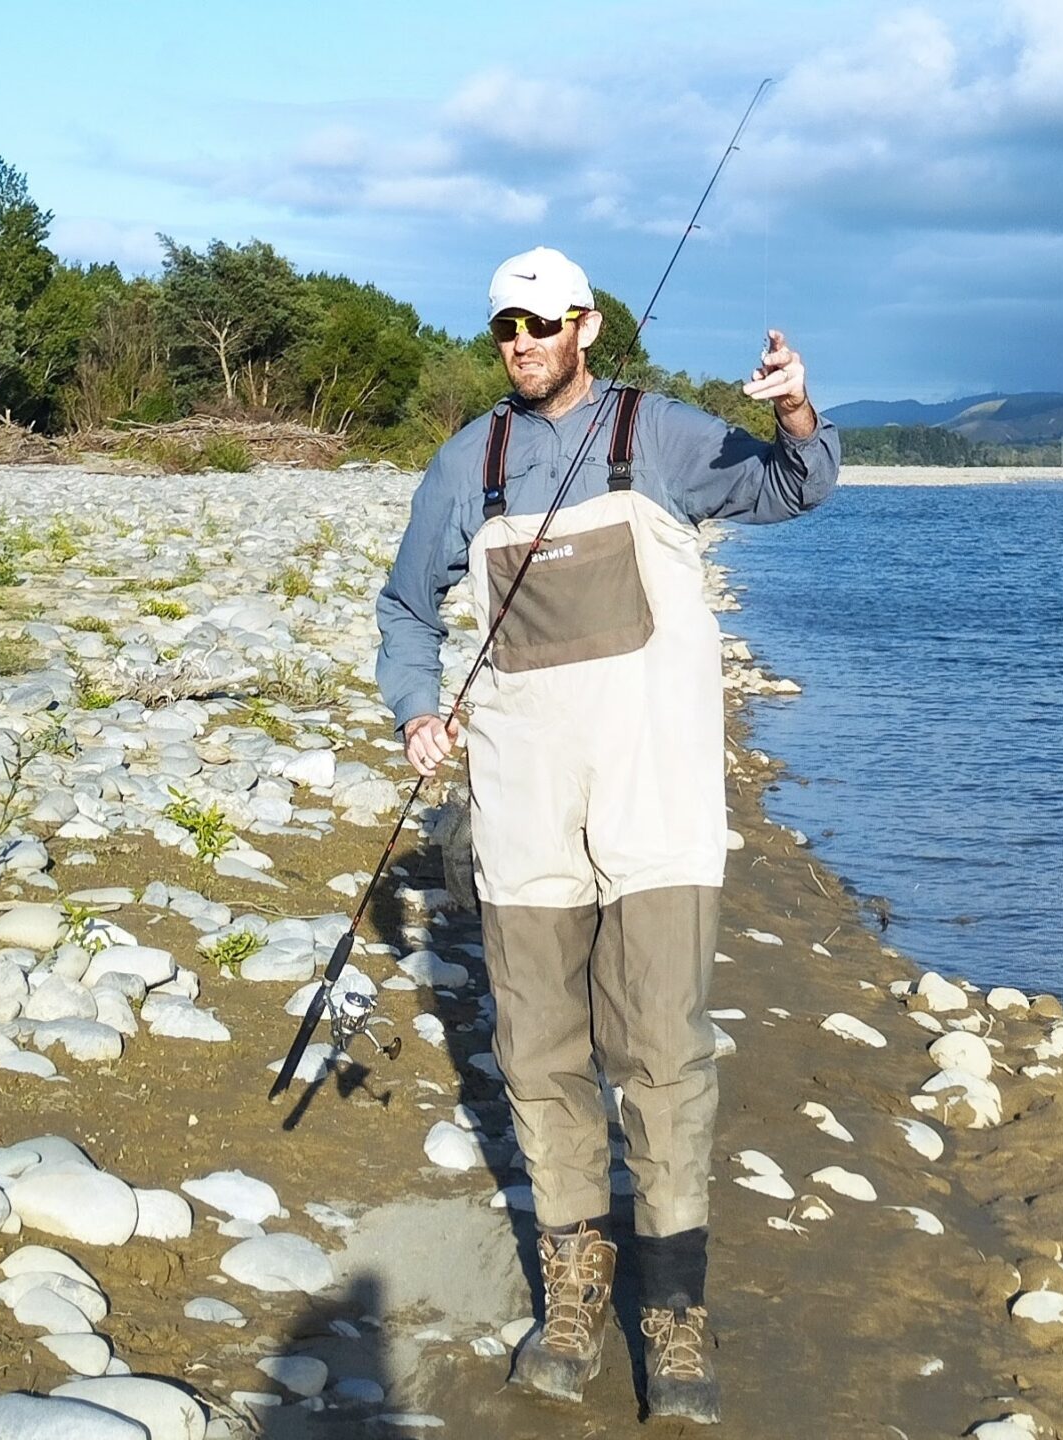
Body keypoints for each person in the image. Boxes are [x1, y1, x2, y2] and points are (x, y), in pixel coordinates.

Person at [375, 245, 837, 1423]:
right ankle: (575, 1283)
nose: (520, 342)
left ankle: (673, 1308)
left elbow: (796, 486)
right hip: (524, 813)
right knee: (535, 1058)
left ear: (584, 322)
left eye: (538, 322)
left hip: (659, 810)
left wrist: (792, 406)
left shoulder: (663, 435)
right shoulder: (465, 462)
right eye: (503, 328)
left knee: (663, 1055)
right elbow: (403, 604)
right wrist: (417, 704)